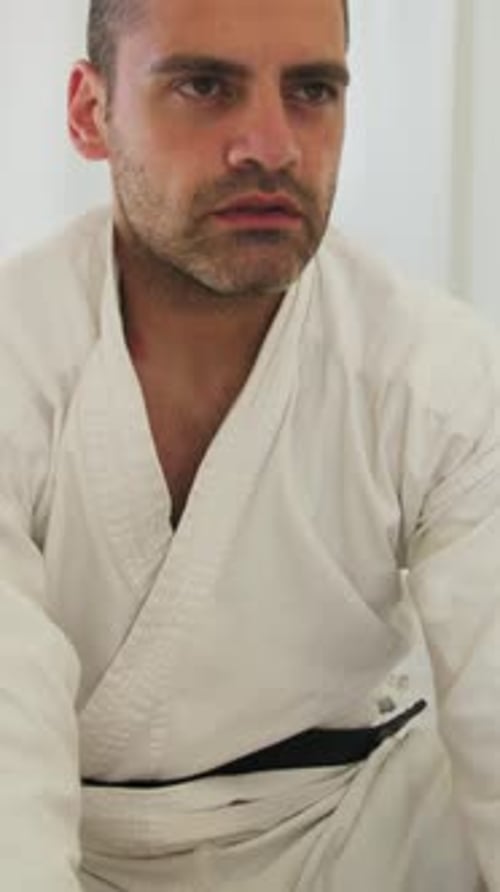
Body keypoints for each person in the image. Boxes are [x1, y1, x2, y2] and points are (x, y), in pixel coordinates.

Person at [0, 0, 499, 888]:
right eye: (204, 85)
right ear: (90, 112)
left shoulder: (438, 377)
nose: (271, 145)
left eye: (311, 89)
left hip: (356, 833)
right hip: (66, 834)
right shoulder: (16, 358)